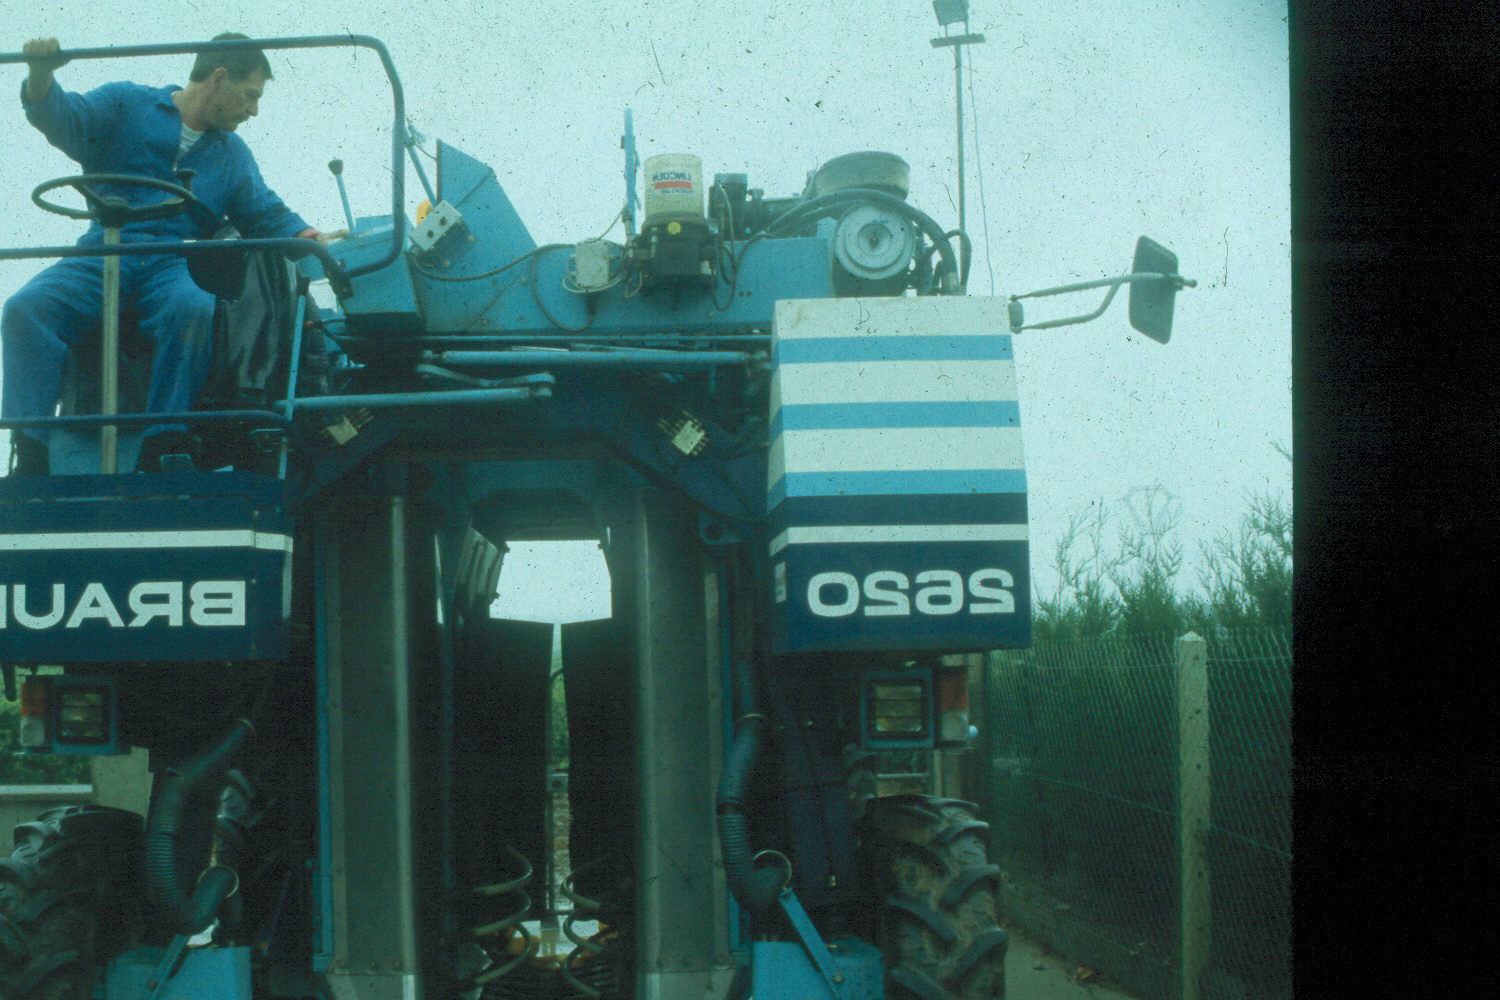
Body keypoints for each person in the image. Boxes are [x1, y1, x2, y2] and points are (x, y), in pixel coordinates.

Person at [2, 33, 337, 474]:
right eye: (250, 95)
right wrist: (41, 73)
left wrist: (309, 235)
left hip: (169, 261)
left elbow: (265, 212)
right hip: (99, 252)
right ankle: (31, 447)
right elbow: (63, 117)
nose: (253, 110)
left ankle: (163, 439)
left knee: (193, 308)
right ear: (219, 78)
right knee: (26, 309)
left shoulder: (232, 154)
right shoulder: (126, 103)